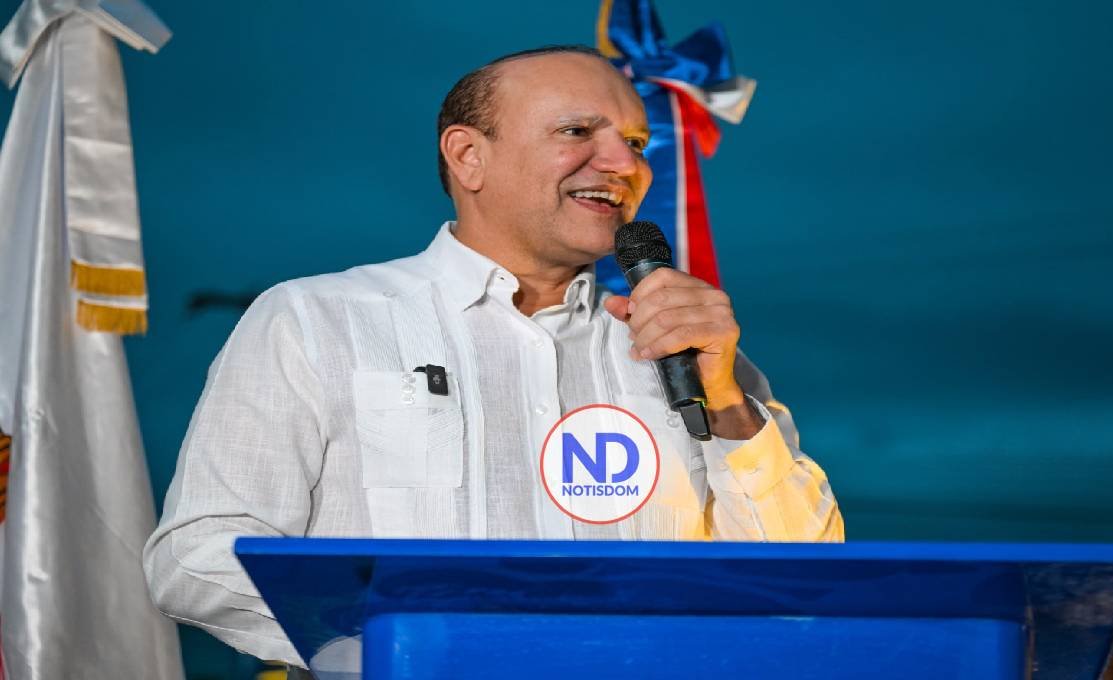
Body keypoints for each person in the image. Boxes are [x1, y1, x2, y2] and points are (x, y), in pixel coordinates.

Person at [144, 45, 843, 668]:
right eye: (578, 132)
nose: (627, 164)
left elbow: (803, 576)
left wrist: (724, 400)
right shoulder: (314, 319)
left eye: (635, 141)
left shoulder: (692, 351)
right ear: (467, 155)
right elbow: (196, 556)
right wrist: (401, 651)